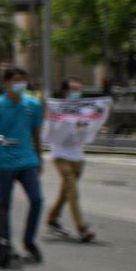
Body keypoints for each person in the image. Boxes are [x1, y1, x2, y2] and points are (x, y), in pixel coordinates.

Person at [0, 66, 45, 263]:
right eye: (15, 80)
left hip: (27, 161)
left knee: (37, 200)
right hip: (3, 163)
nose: (19, 84)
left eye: (23, 80)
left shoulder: (33, 105)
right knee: (3, 205)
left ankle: (29, 241)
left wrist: (39, 158)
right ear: (6, 83)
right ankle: (5, 241)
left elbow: (36, 134)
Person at [45, 77, 96, 242]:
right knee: (73, 192)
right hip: (61, 156)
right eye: (73, 90)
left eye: (79, 90)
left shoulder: (83, 111)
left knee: (66, 192)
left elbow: (84, 134)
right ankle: (81, 228)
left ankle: (52, 219)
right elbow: (49, 135)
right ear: (65, 91)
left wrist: (84, 127)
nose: (77, 93)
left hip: (78, 157)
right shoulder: (56, 110)